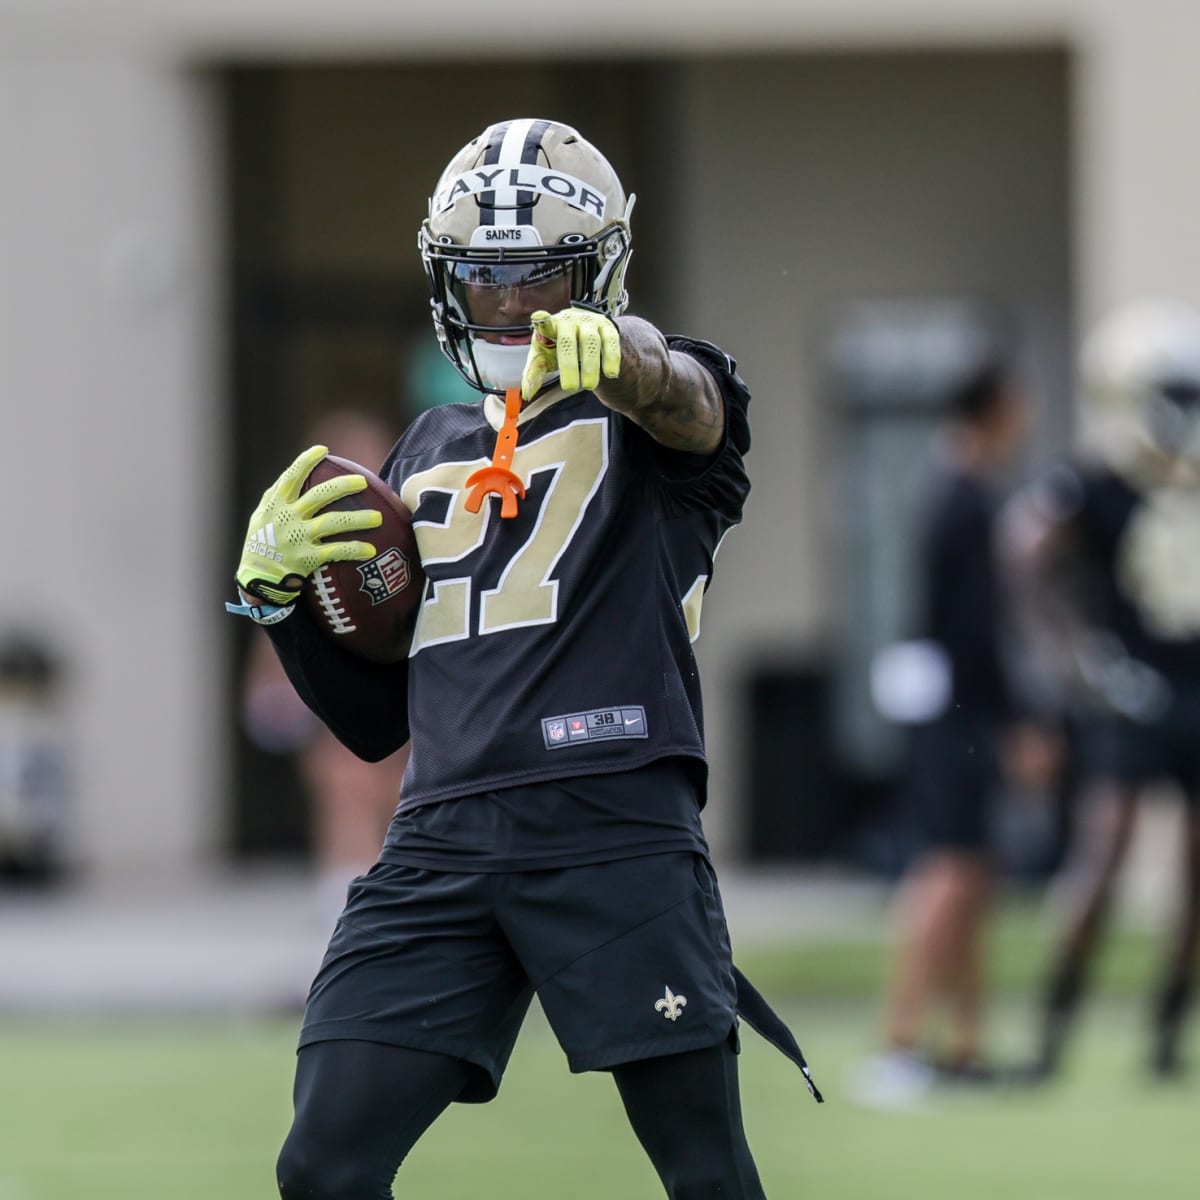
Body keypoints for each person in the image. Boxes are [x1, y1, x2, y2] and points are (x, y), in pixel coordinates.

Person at [226, 117, 818, 1200]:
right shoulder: (423, 449)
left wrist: (633, 360)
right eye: (481, 275)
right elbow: (376, 721)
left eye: (537, 275)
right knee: (322, 1164)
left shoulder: (657, 413)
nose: (508, 303)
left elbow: (690, 402)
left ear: (599, 274)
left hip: (611, 824)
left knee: (703, 1168)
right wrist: (283, 607)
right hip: (439, 839)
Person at [852, 360, 1060, 1108]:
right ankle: (898, 1047)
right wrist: (1018, 724)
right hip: (959, 718)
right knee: (945, 873)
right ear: (995, 409)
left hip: (958, 713)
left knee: (974, 875)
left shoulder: (960, 490)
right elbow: (976, 631)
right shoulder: (963, 499)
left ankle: (965, 1048)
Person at [1004, 297, 1200, 1082]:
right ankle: (1050, 1038)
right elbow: (1023, 552)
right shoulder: (1097, 480)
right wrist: (1081, 657)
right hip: (1134, 691)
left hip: (1195, 689)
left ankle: (1164, 1041)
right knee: (1101, 860)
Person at [238, 409, 410, 932]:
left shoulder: (429, 527)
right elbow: (264, 705)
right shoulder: (296, 562)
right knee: (346, 769)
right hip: (346, 734)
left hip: (424, 728)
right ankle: (344, 910)